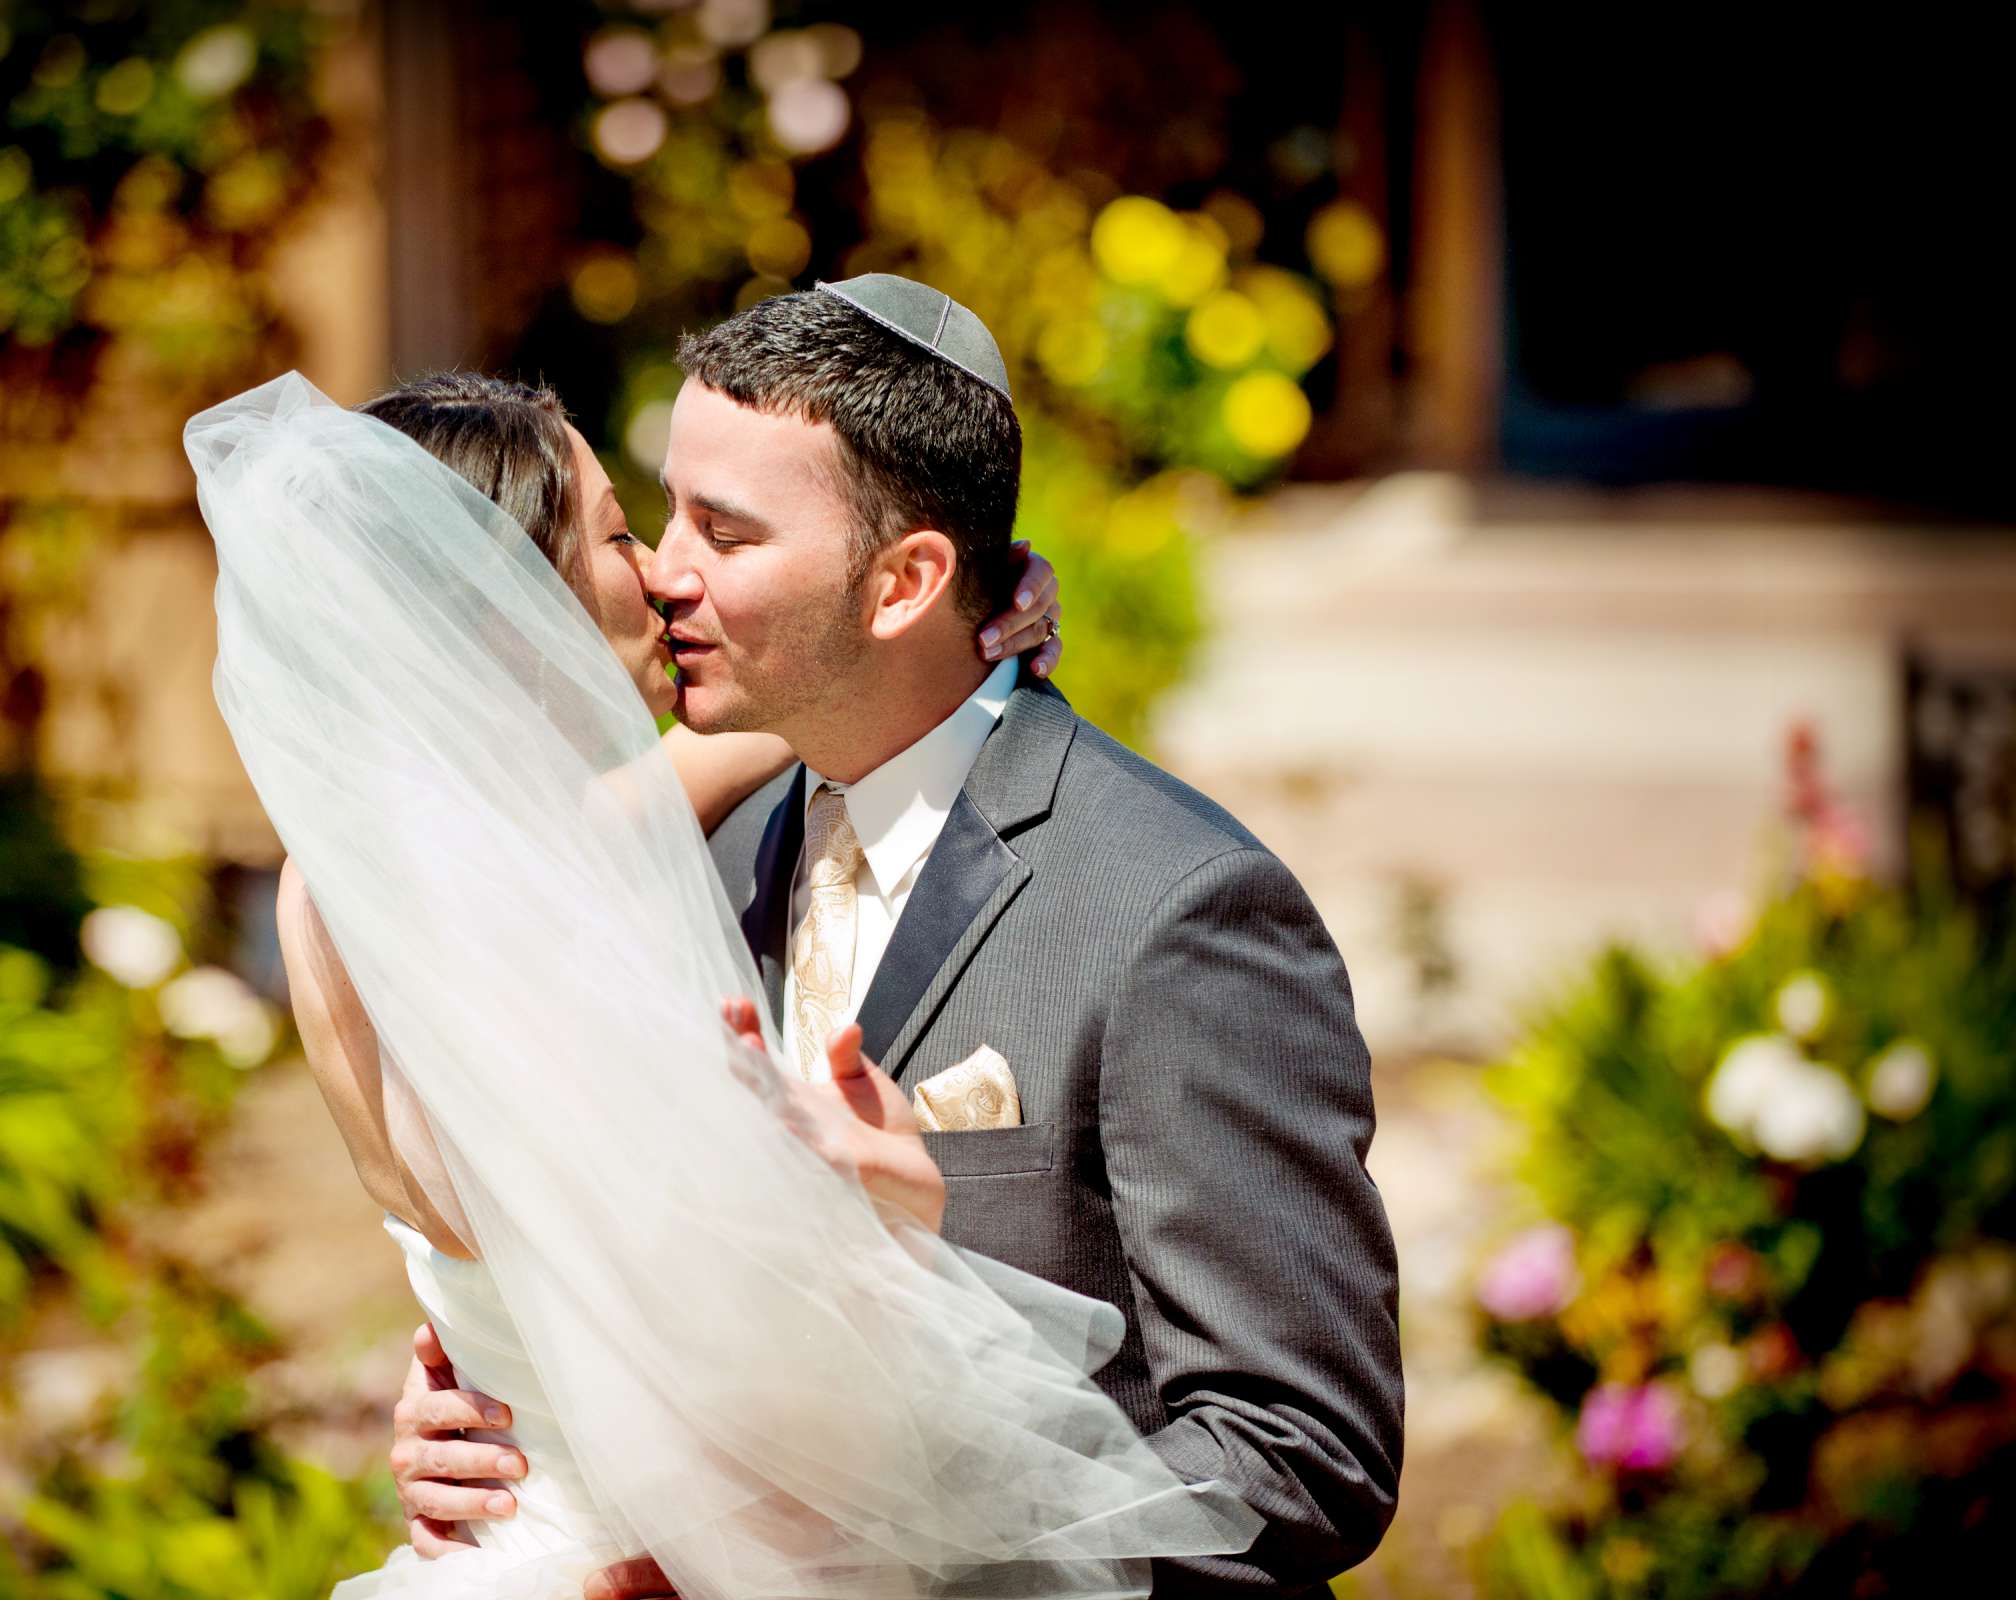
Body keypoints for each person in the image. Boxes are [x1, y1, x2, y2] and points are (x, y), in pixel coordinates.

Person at [190, 340, 1265, 1600]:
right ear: (510, 607)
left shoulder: (347, 880)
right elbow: (786, 1417)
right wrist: (906, 1226)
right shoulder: (540, 924)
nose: (656, 572)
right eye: (611, 538)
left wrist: (952, 645)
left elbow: (703, 772)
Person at [385, 279, 1403, 1598]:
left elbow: (1305, 1459)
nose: (660, 572)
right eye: (663, 510)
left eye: (724, 531)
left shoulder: (1176, 910)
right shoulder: (696, 868)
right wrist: (506, 1446)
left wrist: (854, 1527)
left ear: (903, 581)